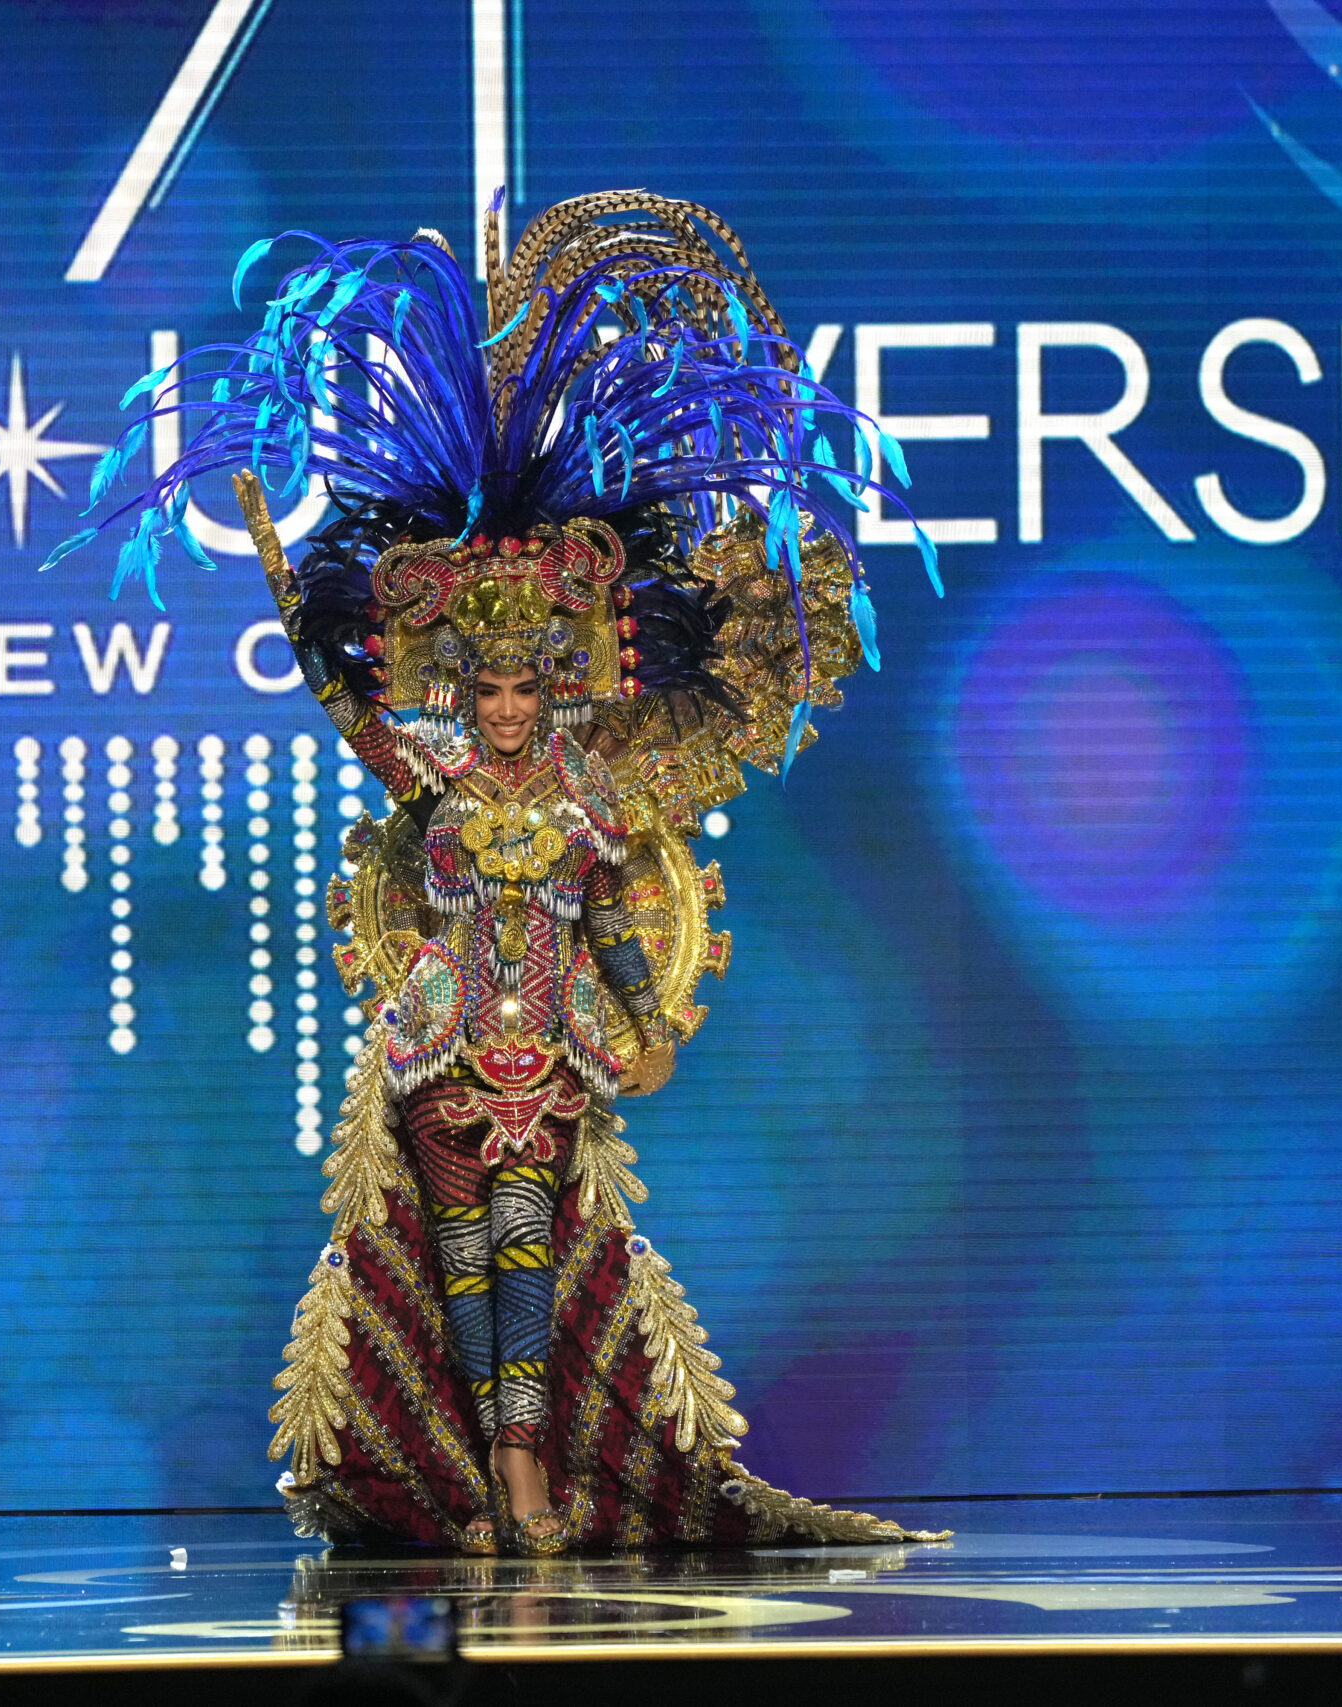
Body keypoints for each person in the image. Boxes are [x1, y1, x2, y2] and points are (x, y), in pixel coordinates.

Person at [63, 191, 952, 1553]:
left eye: (533, 683)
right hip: (441, 1046)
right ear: (461, 688)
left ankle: (531, 1483)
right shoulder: (436, 780)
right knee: (467, 1265)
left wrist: (644, 1020)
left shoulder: (591, 790)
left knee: (532, 1256)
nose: (512, 706)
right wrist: (300, 622)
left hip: (555, 1051)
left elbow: (608, 918)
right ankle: (478, 1481)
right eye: (488, 684)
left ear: (560, 683)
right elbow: (356, 718)